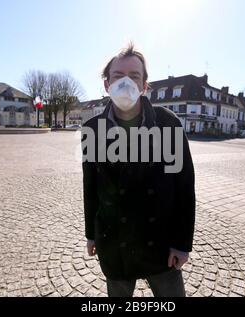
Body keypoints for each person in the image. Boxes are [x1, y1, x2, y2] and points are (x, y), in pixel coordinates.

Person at [82, 43, 195, 297]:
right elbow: (90, 189)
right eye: (118, 76)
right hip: (114, 242)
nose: (126, 83)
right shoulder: (92, 129)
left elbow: (185, 188)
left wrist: (181, 244)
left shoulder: (168, 123)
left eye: (134, 76)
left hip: (162, 245)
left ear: (144, 85)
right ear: (106, 85)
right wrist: (91, 235)